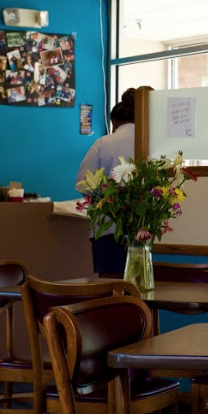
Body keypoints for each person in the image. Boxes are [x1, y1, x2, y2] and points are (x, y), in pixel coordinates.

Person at [75, 88, 136, 275]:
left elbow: (83, 184)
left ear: (114, 122)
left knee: (109, 289)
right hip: (143, 231)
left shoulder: (103, 143)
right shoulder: (151, 143)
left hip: (108, 229)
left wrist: (106, 195)